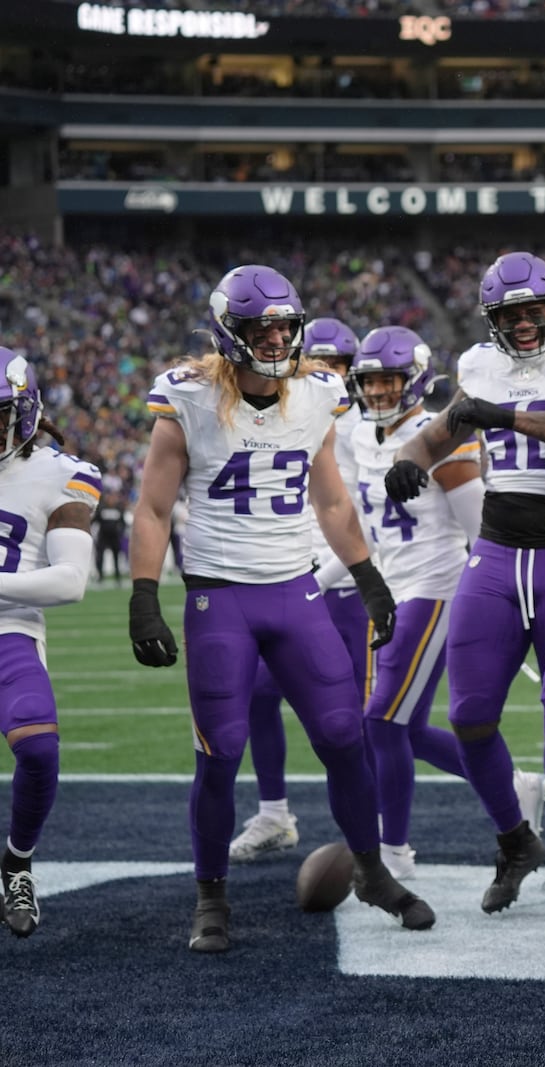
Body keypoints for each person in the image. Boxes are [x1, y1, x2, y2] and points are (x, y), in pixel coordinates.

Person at [129, 265, 432, 952]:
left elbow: (330, 500)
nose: (273, 339)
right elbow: (152, 507)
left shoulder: (319, 393)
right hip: (220, 596)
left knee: (344, 735)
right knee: (220, 751)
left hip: (296, 591)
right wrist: (144, 597)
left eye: (283, 326)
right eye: (259, 327)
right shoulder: (191, 397)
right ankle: (210, 895)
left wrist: (369, 578)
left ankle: (372, 870)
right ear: (227, 332)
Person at [387, 252, 545, 914]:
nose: (522, 324)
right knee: (469, 715)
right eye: (509, 315)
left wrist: (502, 416)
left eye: (532, 311)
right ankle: (516, 838)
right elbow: (438, 433)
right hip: (494, 551)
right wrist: (408, 461)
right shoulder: (479, 365)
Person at [228, 316, 364, 865]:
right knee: (260, 695)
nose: (327, 373)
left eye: (338, 366)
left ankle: (372, 827)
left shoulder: (356, 425)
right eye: (319, 363)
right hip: (294, 578)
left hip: (343, 586)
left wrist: (321, 575)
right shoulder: (282, 412)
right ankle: (275, 812)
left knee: (366, 720)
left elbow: (361, 518)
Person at [348, 325, 482, 880]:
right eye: (370, 382)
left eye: (390, 380)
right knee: (402, 729)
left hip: (436, 586)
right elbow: (369, 526)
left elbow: (480, 527)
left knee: (382, 721)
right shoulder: (360, 436)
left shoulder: (438, 436)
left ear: (416, 381)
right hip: (391, 587)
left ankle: (395, 851)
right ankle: (514, 787)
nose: (378, 392)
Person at [0, 353, 97, 937]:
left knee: (38, 750)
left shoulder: (58, 472)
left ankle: (17, 860)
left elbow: (71, 580)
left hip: (9, 629)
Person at [92, 489, 125, 585]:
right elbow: (95, 521)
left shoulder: (119, 508)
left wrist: (120, 532)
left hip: (114, 537)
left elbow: (122, 522)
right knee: (100, 557)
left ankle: (118, 577)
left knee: (116, 557)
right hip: (103, 536)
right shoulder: (101, 508)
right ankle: (100, 577)